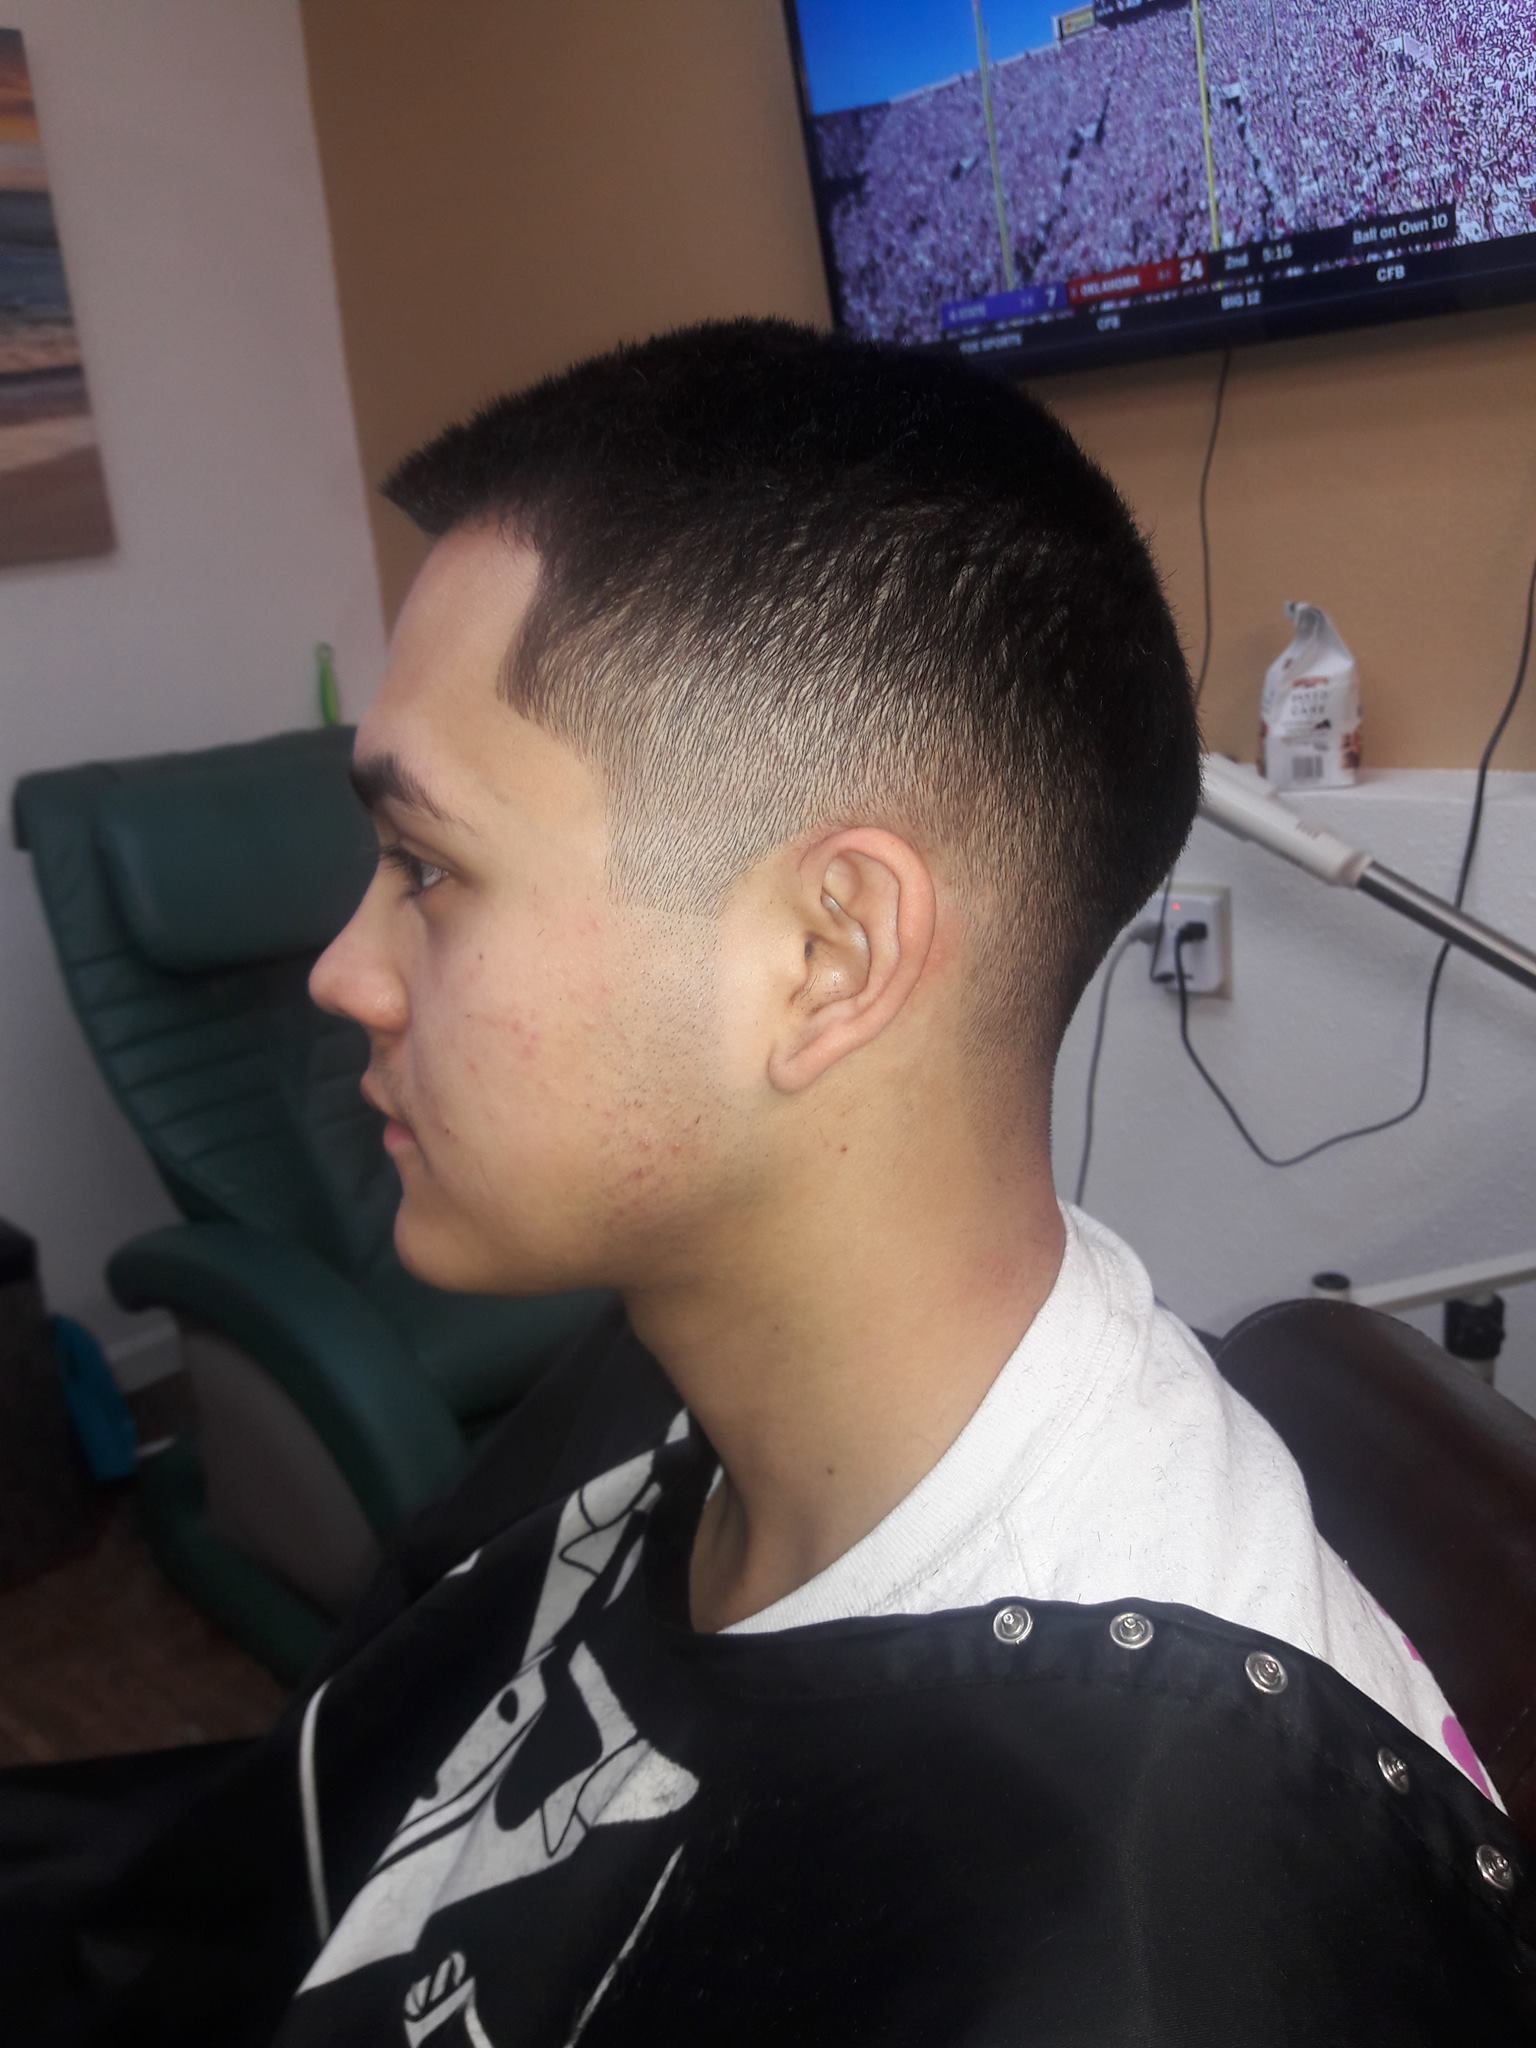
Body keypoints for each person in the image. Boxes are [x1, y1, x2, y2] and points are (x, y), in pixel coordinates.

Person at [4, 317, 1531, 2044]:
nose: (342, 973)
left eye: (424, 867)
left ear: (825, 957)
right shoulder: (674, 1370)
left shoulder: (1156, 1926)